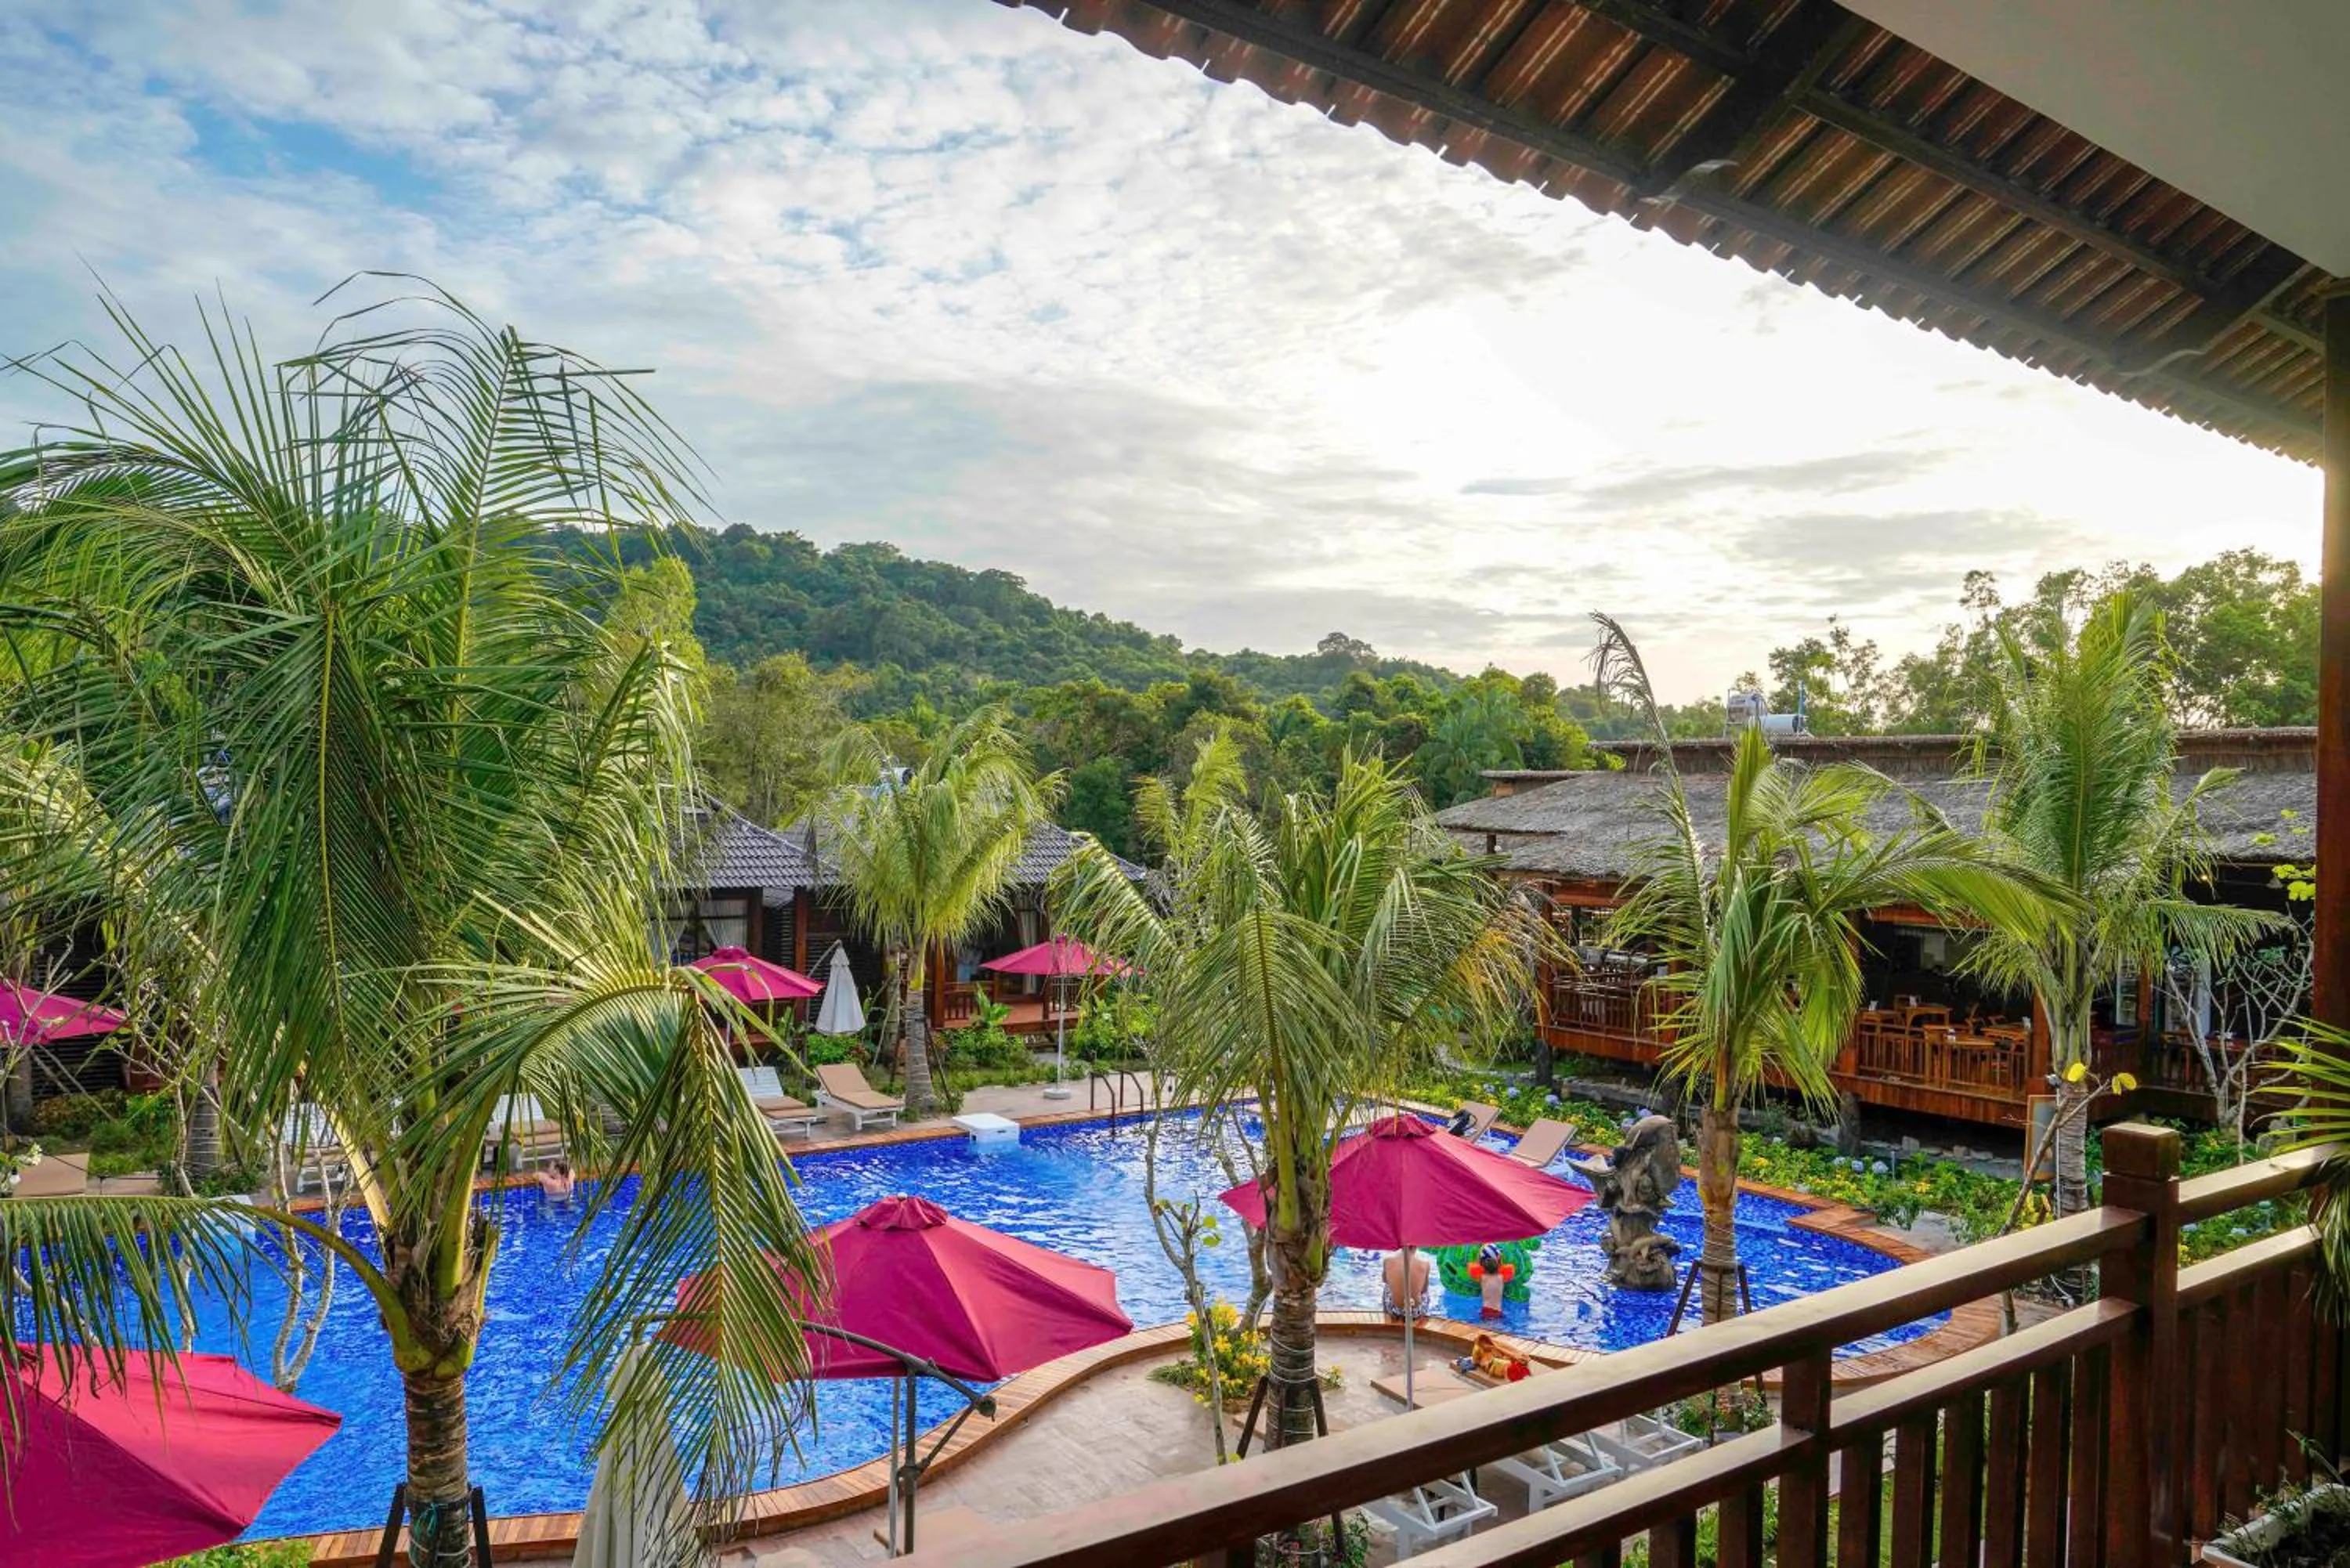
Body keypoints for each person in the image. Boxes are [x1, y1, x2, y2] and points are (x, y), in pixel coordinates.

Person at [1380, 1248, 1430, 1321]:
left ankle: (1387, 1316)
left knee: (1387, 1287)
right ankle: (1421, 1320)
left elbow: (1385, 1280)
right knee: (1425, 1290)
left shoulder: (1387, 1261)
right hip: (1416, 1312)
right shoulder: (1425, 1264)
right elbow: (1424, 1289)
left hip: (1394, 1310)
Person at [1468, 1243, 1512, 1319]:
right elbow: (1501, 1265)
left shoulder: (1482, 1278)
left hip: (1486, 1311)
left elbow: (1478, 1265)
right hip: (1498, 1311)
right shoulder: (1501, 1277)